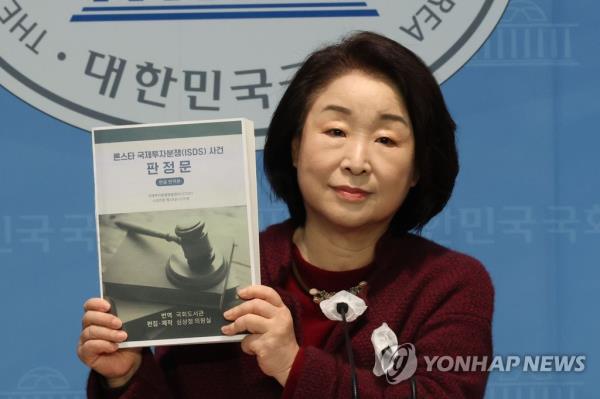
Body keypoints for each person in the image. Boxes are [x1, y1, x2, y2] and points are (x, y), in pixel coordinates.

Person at [78, 31, 494, 398]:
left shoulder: (451, 285)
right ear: (295, 147)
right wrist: (127, 378)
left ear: (418, 168)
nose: (356, 160)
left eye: (386, 138)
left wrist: (293, 366)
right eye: (335, 131)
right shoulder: (228, 270)